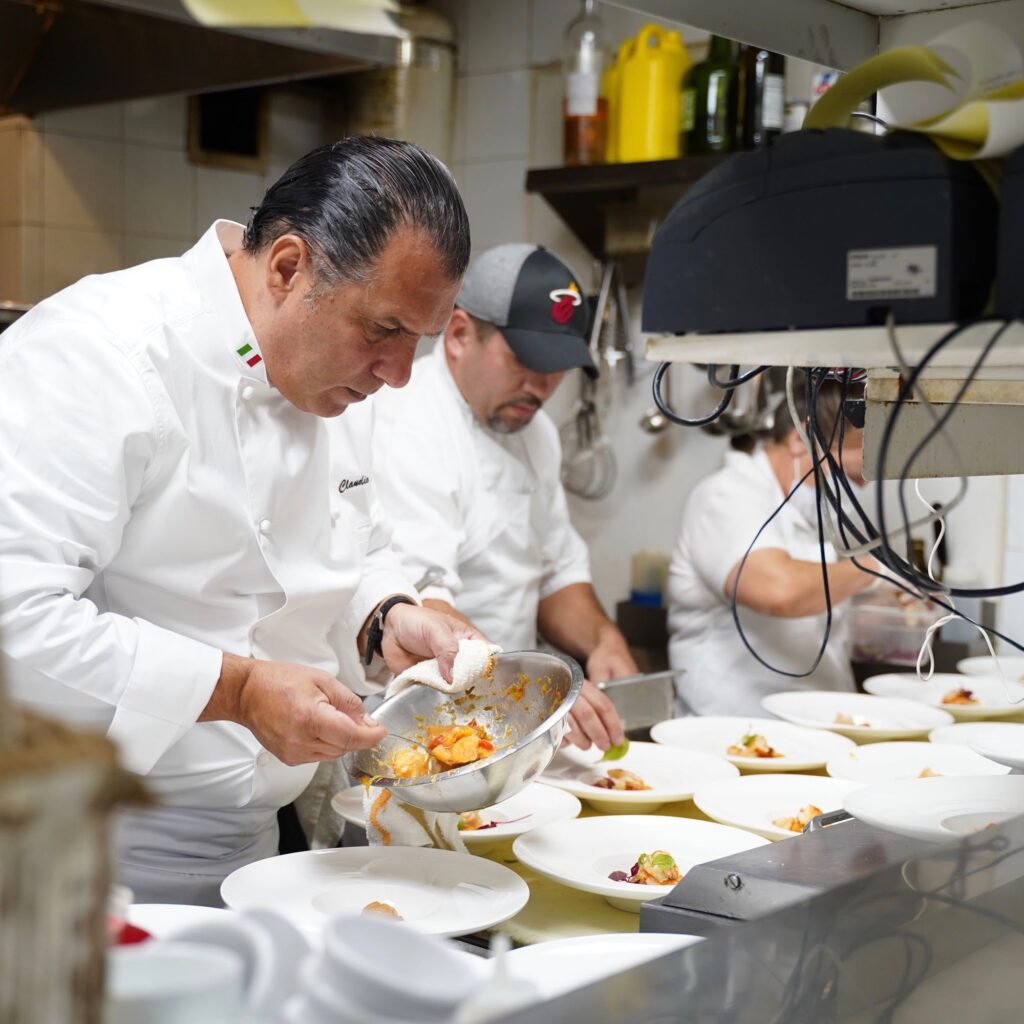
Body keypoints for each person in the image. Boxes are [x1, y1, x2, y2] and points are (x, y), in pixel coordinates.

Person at [0, 137, 481, 905]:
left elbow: (359, 543)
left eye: (416, 341)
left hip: (261, 853)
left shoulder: (333, 378)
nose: (397, 374)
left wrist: (390, 617)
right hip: (81, 857)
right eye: (385, 330)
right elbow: (15, 617)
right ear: (289, 268)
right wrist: (237, 691)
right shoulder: (100, 352)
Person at [329, 244, 631, 751]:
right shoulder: (412, 420)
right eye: (525, 360)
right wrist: (537, 683)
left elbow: (556, 570)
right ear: (460, 335)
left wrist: (603, 639)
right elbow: (426, 599)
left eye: (557, 366)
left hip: (513, 714)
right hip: (421, 725)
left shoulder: (538, 435)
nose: (542, 384)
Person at [666, 379, 879, 716]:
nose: (855, 490)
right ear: (800, 441)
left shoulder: (808, 509)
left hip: (817, 724)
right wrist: (876, 570)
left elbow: (828, 598)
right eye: (848, 477)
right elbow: (781, 591)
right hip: (733, 731)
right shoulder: (726, 495)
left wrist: (898, 599)